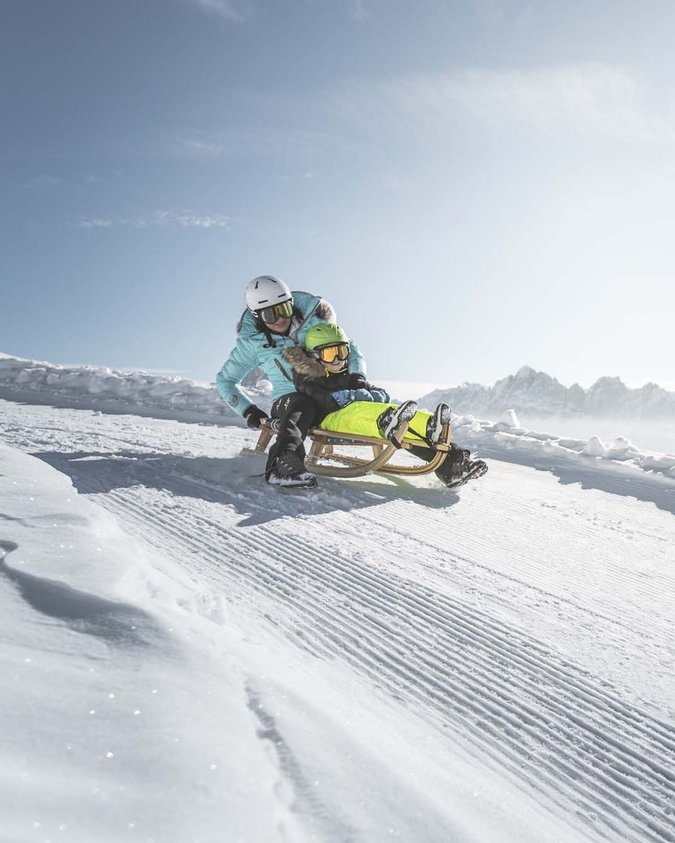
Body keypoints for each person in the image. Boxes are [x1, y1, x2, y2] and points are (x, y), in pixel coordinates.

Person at [282, 322, 488, 488]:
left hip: (364, 413)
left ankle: (448, 456)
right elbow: (328, 401)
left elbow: (380, 394)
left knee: (401, 416)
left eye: (342, 352)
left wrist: (365, 393)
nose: (338, 359)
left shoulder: (348, 376)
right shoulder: (308, 377)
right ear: (315, 356)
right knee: (363, 412)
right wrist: (358, 396)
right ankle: (387, 423)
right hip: (332, 419)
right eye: (330, 354)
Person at [216, 275, 368, 486]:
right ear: (258, 316)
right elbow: (226, 380)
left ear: (292, 305)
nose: (280, 319)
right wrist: (248, 410)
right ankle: (283, 462)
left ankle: (427, 450)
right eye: (270, 314)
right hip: (289, 401)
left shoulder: (315, 320)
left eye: (284, 309)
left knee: (372, 400)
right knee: (302, 403)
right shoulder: (253, 343)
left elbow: (350, 349)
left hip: (328, 393)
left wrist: (357, 376)